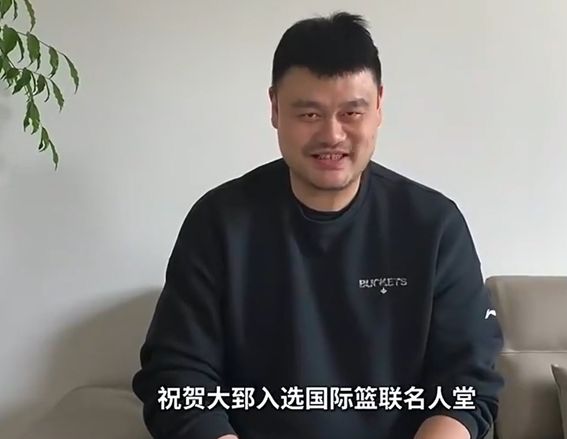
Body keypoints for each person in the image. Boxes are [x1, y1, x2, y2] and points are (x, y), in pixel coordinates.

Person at [132, 11, 504, 439]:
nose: (332, 135)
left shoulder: (433, 226)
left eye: (351, 112)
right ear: (275, 108)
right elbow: (177, 378)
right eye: (309, 114)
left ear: (379, 106)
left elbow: (467, 384)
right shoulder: (219, 223)